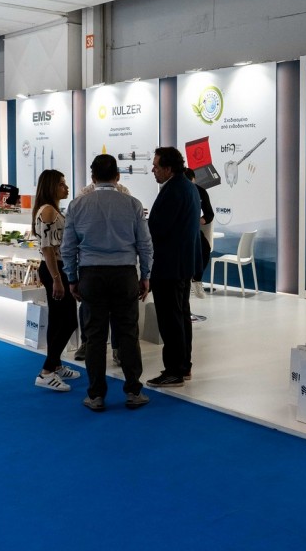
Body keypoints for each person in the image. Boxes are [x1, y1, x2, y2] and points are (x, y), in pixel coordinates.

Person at [60, 154, 153, 412]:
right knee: (128, 334)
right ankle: (133, 391)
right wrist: (145, 275)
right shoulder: (133, 204)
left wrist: (72, 278)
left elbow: (68, 248)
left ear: (92, 178)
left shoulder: (77, 205)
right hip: (125, 274)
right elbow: (145, 245)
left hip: (91, 275)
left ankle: (96, 395)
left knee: (95, 337)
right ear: (118, 176)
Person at [146, 147, 202, 388]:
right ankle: (183, 365)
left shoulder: (173, 191)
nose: (153, 170)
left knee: (170, 320)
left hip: (169, 265)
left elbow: (159, 228)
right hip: (182, 263)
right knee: (180, 316)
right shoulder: (188, 186)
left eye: (156, 166)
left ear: (168, 168)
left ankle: (174, 371)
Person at [70, 177, 132, 364]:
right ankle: (87, 343)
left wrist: (71, 276)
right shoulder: (84, 195)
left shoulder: (124, 193)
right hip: (93, 264)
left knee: (115, 311)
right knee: (89, 311)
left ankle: (117, 348)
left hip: (113, 264)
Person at [31, 169, 82, 392]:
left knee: (58, 319)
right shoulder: (48, 211)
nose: (66, 187)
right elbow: (47, 248)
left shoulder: (52, 209)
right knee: (68, 321)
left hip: (58, 269)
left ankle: (57, 365)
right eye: (61, 184)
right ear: (51, 187)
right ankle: (46, 371)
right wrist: (57, 279)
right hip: (55, 269)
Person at [184, 167, 214, 299]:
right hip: (179, 231)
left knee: (205, 248)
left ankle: (196, 280)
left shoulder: (201, 192)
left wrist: (200, 220)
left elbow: (209, 214)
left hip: (193, 230)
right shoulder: (175, 191)